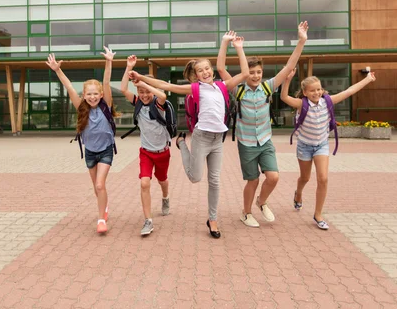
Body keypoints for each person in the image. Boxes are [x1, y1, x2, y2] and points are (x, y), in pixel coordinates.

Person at [129, 32, 249, 238]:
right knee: (195, 178)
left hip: (217, 139)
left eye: (207, 69)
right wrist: (142, 81)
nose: (205, 72)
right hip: (201, 137)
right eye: (200, 70)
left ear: (212, 71)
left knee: (215, 181)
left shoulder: (221, 86)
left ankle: (212, 219)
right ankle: (183, 145)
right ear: (196, 75)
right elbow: (167, 86)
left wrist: (236, 47)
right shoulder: (195, 89)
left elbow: (244, 74)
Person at [216, 22, 309, 228]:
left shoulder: (268, 87)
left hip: (265, 140)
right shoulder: (238, 90)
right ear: (245, 73)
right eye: (252, 72)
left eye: (259, 71)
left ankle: (262, 201)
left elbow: (288, 66)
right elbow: (221, 69)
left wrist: (301, 40)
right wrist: (227, 44)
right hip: (247, 143)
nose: (256, 75)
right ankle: (246, 212)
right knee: (253, 180)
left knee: (273, 177)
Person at [281, 67, 376, 230]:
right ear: (305, 92)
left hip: (321, 145)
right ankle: (298, 193)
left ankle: (318, 214)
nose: (316, 93)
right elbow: (283, 97)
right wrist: (287, 80)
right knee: (305, 178)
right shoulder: (301, 104)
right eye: (312, 90)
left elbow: (349, 90)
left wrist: (367, 79)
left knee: (323, 178)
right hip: (304, 146)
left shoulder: (327, 102)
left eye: (318, 89)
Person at [46, 47, 117, 234]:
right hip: (90, 152)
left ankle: (101, 219)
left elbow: (107, 81)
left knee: (100, 184)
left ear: (101, 95)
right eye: (89, 94)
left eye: (96, 93)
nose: (92, 96)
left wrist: (109, 61)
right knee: (97, 188)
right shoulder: (81, 107)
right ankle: (105, 208)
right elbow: (69, 86)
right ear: (84, 95)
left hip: (106, 150)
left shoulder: (106, 106)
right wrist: (57, 70)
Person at [121, 54, 172, 236]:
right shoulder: (137, 103)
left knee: (162, 180)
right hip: (146, 153)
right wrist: (129, 68)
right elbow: (123, 88)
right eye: (140, 92)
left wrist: (144, 83)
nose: (143, 95)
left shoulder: (158, 104)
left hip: (163, 153)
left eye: (146, 92)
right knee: (144, 183)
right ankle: (148, 220)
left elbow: (162, 94)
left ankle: (166, 198)